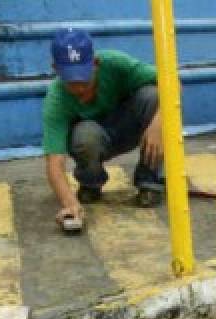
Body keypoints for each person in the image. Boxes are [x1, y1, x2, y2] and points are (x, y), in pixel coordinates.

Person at [41, 28, 165, 232]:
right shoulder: (56, 99)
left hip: (129, 127)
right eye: (72, 82)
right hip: (93, 139)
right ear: (55, 69)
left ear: (96, 64)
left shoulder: (116, 63)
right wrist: (70, 204)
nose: (79, 87)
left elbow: (172, 82)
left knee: (155, 96)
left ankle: (150, 180)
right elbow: (54, 162)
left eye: (84, 78)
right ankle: (91, 183)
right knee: (85, 134)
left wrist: (158, 124)